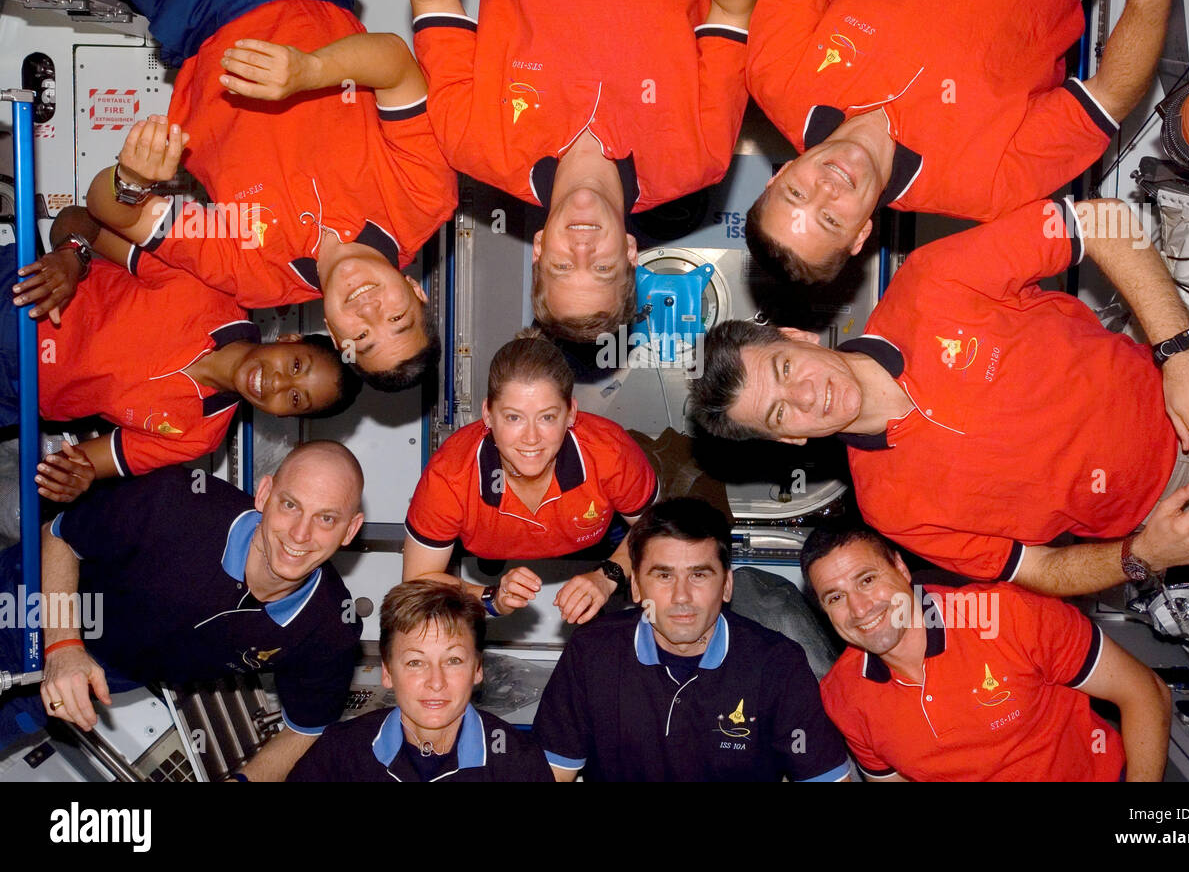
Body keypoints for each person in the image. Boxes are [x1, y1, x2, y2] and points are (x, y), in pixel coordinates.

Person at [691, 198, 1189, 595]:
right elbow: (1039, 570)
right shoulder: (891, 509)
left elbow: (1101, 221)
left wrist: (1180, 354)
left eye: (786, 368)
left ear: (796, 337)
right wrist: (1143, 556)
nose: (808, 395)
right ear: (789, 436)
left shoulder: (931, 283)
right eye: (781, 411)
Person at [68, 0, 457, 389]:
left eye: (362, 336)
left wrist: (130, 179)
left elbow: (107, 209)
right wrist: (309, 71)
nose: (369, 310)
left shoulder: (255, 274)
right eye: (397, 318)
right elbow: (396, 64)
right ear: (417, 293)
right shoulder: (424, 199)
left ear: (333, 334)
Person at [744, 0, 1189, 284]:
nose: (826, 187)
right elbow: (1109, 97)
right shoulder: (983, 188)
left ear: (779, 176)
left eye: (796, 193)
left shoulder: (776, 80)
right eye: (829, 219)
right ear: (861, 235)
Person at [406, 0, 756, 340]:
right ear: (630, 253)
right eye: (603, 268)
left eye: (563, 266)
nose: (582, 248)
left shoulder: (473, 145)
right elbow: (737, 5)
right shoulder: (699, 158)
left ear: (539, 250)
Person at [0, 442, 366, 781]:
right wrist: (62, 645)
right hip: (29, 601)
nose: (301, 534)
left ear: (350, 530)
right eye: (290, 505)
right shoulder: (178, 501)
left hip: (95, 676)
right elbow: (60, 535)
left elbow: (307, 728)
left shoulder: (329, 630)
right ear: (265, 494)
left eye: (326, 519)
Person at [4, 206, 358, 503]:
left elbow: (87, 462)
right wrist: (70, 254)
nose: (279, 382)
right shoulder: (211, 286)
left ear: (284, 417)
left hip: (11, 395)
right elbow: (83, 219)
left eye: (296, 398)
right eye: (296, 365)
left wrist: (76, 478)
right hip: (17, 298)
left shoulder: (198, 436)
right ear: (290, 339)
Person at [802, 524, 1171, 781]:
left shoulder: (1011, 615)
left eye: (867, 579)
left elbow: (1146, 692)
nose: (860, 608)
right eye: (835, 597)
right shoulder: (844, 696)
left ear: (900, 567)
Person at [532, 497, 851, 782]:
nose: (681, 596)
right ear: (637, 588)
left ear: (727, 585)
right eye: (663, 575)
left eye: (699, 575)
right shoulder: (592, 654)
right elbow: (553, 774)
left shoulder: (778, 665)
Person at [404, 330, 658, 625]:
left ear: (571, 414)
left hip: (599, 538)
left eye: (547, 417)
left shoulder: (609, 451)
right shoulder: (450, 474)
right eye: (513, 417)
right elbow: (417, 582)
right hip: (488, 542)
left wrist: (609, 575)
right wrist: (491, 597)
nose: (531, 438)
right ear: (487, 415)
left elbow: (657, 529)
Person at [287, 580, 552, 782]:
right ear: (388, 672)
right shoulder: (339, 754)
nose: (436, 682)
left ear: (478, 669)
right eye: (416, 662)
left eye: (453, 661)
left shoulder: (518, 763)